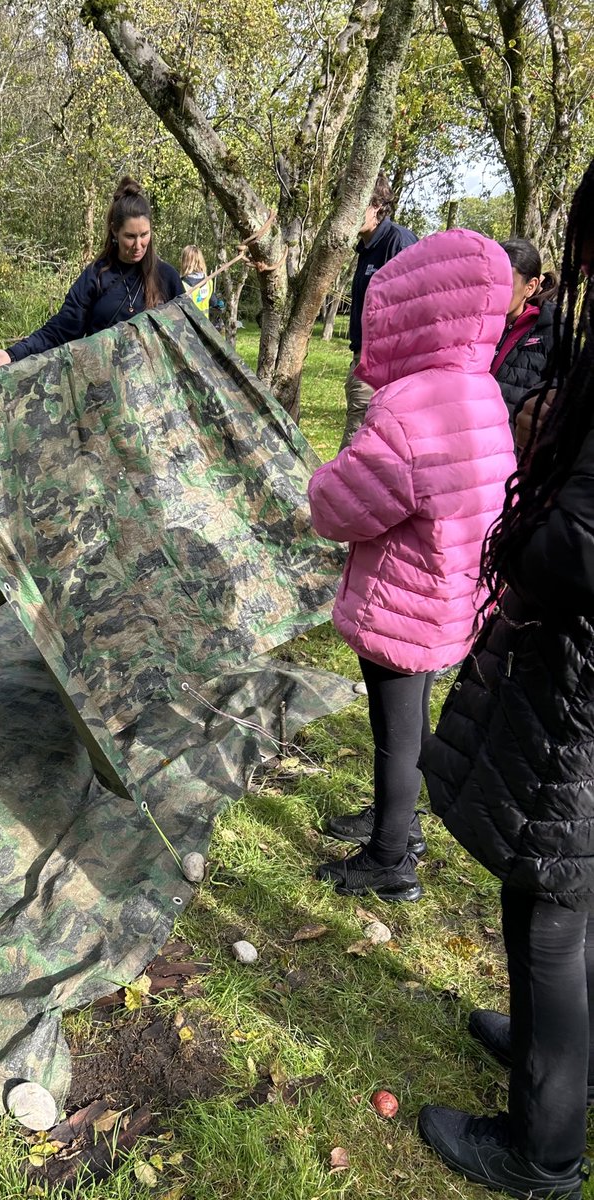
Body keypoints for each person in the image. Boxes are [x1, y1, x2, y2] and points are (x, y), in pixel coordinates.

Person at [418, 161, 594, 1200]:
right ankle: (542, 1057)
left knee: (555, 904)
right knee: (554, 894)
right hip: (569, 672)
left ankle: (541, 1152)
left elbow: (583, 544)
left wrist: (522, 531)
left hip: (578, 682)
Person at [308, 229, 515, 901]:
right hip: (451, 596)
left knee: (395, 735)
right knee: (411, 723)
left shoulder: (409, 406)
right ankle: (399, 820)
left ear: (407, 310)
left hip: (404, 598)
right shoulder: (481, 391)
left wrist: (321, 481)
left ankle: (390, 860)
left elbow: (343, 508)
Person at [0, 177, 185, 370]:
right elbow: (60, 330)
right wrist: (12, 354)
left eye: (144, 235)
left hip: (156, 394)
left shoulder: (167, 277)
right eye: (130, 236)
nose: (138, 245)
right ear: (114, 231)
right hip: (105, 387)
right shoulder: (96, 275)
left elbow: (185, 338)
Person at [339, 174, 417, 451]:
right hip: (363, 357)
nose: (347, 213)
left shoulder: (399, 243)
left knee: (357, 444)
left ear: (376, 205)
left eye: (356, 203)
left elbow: (413, 308)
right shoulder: (365, 248)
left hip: (386, 362)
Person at [491, 237, 557, 421]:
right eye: (491, 282)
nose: (496, 293)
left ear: (530, 287)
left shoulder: (552, 333)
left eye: (507, 285)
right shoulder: (471, 325)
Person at [179, 245, 213, 315]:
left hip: (189, 325)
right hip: (205, 324)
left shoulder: (181, 284)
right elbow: (213, 301)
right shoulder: (209, 282)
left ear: (184, 262)